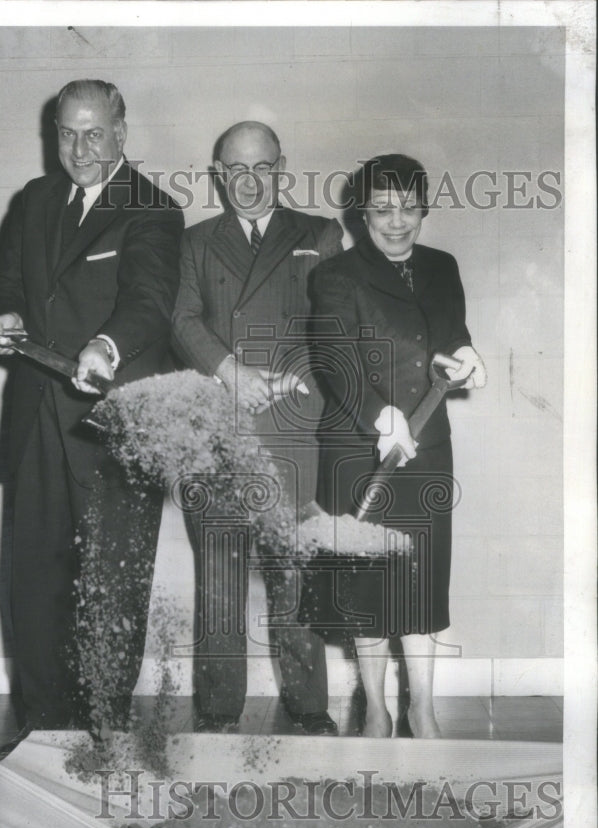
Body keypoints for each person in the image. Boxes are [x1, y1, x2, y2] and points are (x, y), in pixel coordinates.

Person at [0, 79, 183, 741]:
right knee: (33, 582)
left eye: (94, 132)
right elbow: (4, 279)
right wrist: (0, 312)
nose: (80, 147)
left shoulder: (151, 210)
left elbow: (148, 302)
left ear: (122, 131)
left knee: (110, 588)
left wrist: (105, 345)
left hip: (111, 423)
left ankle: (104, 733)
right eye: (68, 132)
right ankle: (42, 732)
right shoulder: (34, 200)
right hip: (36, 416)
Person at [172, 120, 344, 735]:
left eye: (261, 168)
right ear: (219, 174)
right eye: (235, 170)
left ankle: (308, 706)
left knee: (294, 577)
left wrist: (293, 379)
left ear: (282, 168)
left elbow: (336, 322)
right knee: (218, 580)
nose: (249, 182)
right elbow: (182, 319)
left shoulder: (320, 234)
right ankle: (217, 712)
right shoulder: (193, 242)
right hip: (218, 430)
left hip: (294, 429)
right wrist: (228, 370)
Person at [310, 153, 487, 738]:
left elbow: (451, 336)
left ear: (424, 210)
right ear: (362, 213)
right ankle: (378, 710)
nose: (396, 221)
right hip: (360, 450)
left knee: (420, 581)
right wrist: (379, 414)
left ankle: (423, 709)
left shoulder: (442, 266)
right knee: (366, 587)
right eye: (383, 208)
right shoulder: (334, 275)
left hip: (427, 445)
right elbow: (338, 362)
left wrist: (466, 358)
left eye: (409, 208)